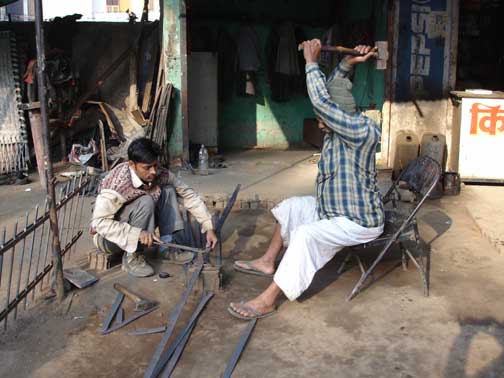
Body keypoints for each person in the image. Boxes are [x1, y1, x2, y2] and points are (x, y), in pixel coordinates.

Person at [228, 40, 385, 319]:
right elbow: (333, 92)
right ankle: (267, 261)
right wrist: (348, 63)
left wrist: (311, 64)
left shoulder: (361, 131)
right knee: (292, 206)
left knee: (305, 235)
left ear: (340, 116)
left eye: (325, 120)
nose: (320, 123)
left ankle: (268, 299)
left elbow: (325, 104)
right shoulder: (341, 127)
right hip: (333, 211)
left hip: (358, 221)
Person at [91, 138, 218, 277]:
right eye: (147, 167)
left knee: (169, 191)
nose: (153, 171)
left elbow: (189, 195)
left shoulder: (160, 173)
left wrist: (208, 226)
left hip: (138, 228)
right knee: (146, 200)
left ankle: (166, 247)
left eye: (155, 165)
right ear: (132, 164)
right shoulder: (116, 184)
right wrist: (136, 233)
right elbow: (100, 223)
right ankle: (132, 257)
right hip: (109, 239)